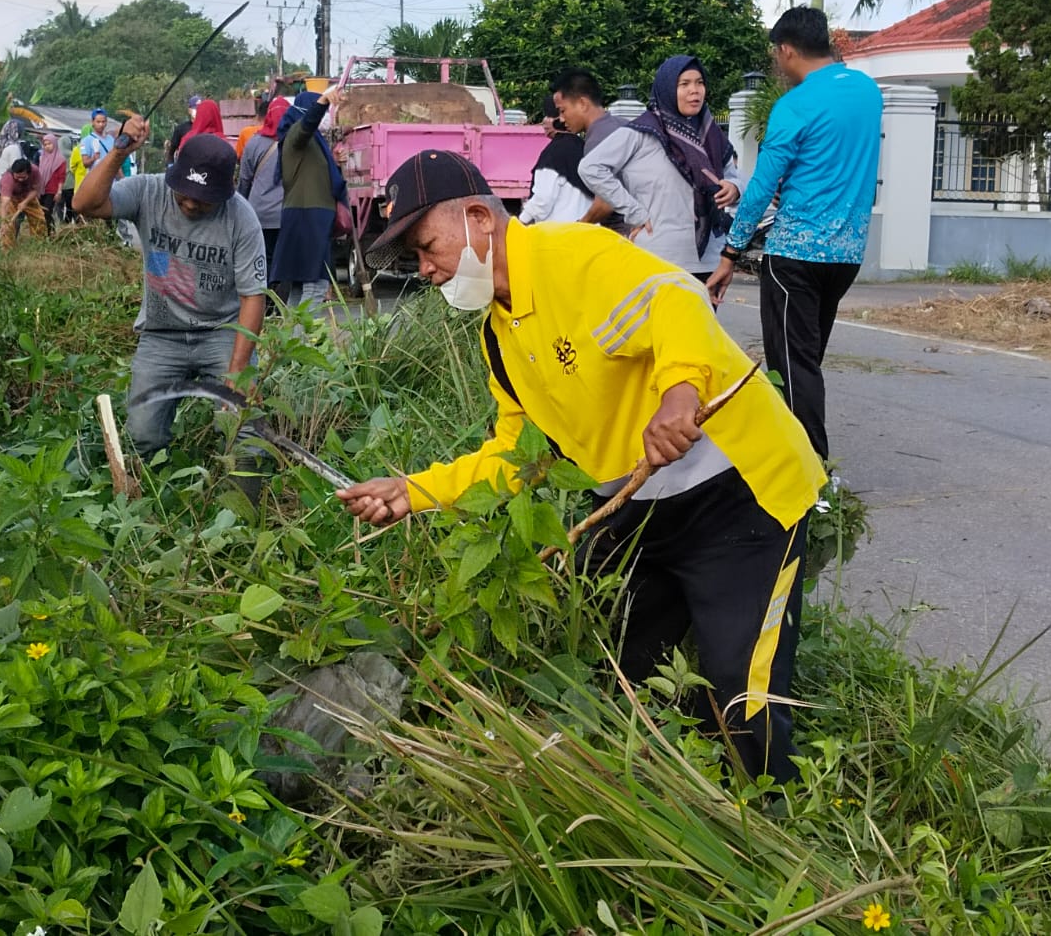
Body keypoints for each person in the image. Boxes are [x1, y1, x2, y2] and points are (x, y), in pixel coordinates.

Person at [335, 150, 825, 784]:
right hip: (642, 508)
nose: (425, 271)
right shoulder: (500, 335)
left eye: (427, 247)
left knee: (741, 695)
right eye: (414, 261)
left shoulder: (576, 259)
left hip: (740, 493)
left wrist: (680, 392)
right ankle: (672, 795)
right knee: (623, 670)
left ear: (481, 217)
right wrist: (413, 492)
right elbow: (516, 459)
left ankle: (774, 835)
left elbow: (675, 301)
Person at [706, 7, 883, 459]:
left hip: (795, 258)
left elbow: (763, 185)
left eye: (776, 55)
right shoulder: (867, 92)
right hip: (846, 256)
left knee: (792, 368)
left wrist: (730, 253)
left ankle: (811, 475)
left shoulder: (794, 106)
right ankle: (798, 462)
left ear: (786, 50)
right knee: (808, 362)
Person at [71, 120, 267, 457]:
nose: (191, 204)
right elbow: (84, 204)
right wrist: (119, 151)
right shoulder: (148, 191)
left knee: (245, 430)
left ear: (225, 191)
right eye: (185, 194)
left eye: (203, 200)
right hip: (161, 335)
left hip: (221, 332)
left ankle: (244, 503)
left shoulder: (242, 219)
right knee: (141, 437)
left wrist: (238, 370)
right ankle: (147, 501)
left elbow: (253, 297)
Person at [578, 55, 745, 283]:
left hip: (709, 261)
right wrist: (634, 211)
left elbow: (734, 176)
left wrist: (734, 188)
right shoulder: (641, 132)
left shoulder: (712, 135)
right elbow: (591, 168)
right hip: (658, 258)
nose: (694, 91)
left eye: (699, 82)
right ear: (666, 88)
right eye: (684, 84)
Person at [271, 88, 347, 307]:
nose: (323, 119)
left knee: (298, 287)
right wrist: (323, 100)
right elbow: (308, 124)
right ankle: (301, 338)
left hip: (309, 217)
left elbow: (318, 175)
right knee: (316, 286)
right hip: (308, 218)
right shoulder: (295, 135)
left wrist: (334, 163)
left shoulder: (314, 144)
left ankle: (292, 339)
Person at [549, 68, 629, 230]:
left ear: (582, 104)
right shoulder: (622, 124)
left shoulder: (597, 140)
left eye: (562, 110)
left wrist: (580, 227)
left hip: (626, 234)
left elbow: (605, 203)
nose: (562, 119)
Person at [237, 94, 291, 291]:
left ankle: (266, 305)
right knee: (285, 260)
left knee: (264, 259)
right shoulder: (297, 143)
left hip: (259, 214)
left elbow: (245, 180)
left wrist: (240, 207)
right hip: (289, 213)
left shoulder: (253, 143)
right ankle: (283, 308)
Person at [518, 96, 593, 225]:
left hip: (559, 233)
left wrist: (521, 220)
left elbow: (543, 200)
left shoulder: (553, 153)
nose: (544, 121)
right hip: (586, 229)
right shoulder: (585, 148)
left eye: (549, 116)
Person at [0, 157, 46, 248]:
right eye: (17, 177)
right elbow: (5, 202)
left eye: (23, 177)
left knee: (39, 219)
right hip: (12, 198)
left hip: (29, 195)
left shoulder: (35, 171)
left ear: (29, 172)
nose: (20, 179)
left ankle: (39, 245)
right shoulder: (7, 179)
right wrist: (3, 222)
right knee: (8, 225)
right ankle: (7, 249)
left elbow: (36, 190)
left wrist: (25, 202)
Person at [37, 132, 67, 230]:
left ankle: (51, 232)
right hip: (42, 190)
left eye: (49, 144)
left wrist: (59, 191)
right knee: (41, 212)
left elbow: (61, 177)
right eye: (45, 145)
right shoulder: (42, 158)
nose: (47, 147)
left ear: (54, 144)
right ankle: (44, 232)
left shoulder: (60, 159)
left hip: (52, 190)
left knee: (47, 211)